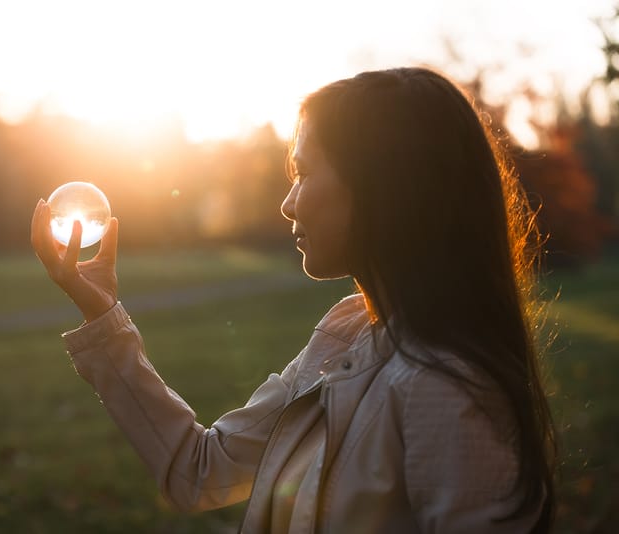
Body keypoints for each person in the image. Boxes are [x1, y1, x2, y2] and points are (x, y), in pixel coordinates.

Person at [31, 67, 556, 533]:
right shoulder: (346, 336)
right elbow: (199, 472)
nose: (287, 204)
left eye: (304, 173)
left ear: (384, 188)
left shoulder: (447, 389)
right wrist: (102, 316)